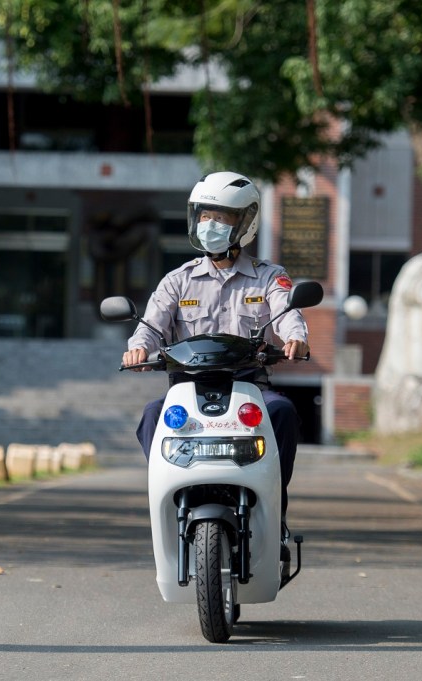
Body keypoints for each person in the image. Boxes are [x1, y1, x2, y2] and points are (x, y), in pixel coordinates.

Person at [122, 171, 310, 561]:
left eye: (221, 217)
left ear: (244, 223)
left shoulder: (269, 278)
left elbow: (288, 313)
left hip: (248, 387)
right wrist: (138, 349)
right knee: (152, 414)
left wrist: (296, 338)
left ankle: (274, 509)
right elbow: (151, 326)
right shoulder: (178, 281)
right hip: (188, 389)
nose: (211, 225)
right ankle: (169, 498)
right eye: (205, 216)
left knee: (282, 411)